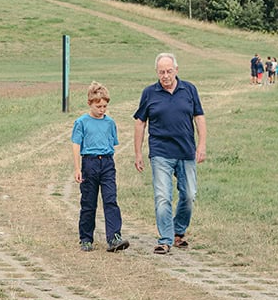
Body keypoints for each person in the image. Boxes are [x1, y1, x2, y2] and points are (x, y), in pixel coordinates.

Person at [133, 52, 207, 255]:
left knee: (189, 194)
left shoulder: (189, 89)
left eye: (168, 71)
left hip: (185, 151)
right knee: (163, 196)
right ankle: (165, 239)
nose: (165, 76)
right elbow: (140, 123)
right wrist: (138, 153)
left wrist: (201, 145)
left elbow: (199, 117)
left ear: (176, 70)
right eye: (161, 72)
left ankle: (178, 231)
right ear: (156, 73)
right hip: (160, 153)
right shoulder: (149, 93)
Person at [70, 81, 129, 253]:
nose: (102, 110)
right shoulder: (81, 122)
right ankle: (86, 238)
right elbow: (76, 145)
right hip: (90, 163)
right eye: (98, 106)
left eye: (104, 106)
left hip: (107, 163)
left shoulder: (110, 123)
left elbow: (113, 143)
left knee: (110, 199)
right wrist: (77, 168)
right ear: (90, 104)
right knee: (89, 202)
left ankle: (114, 237)